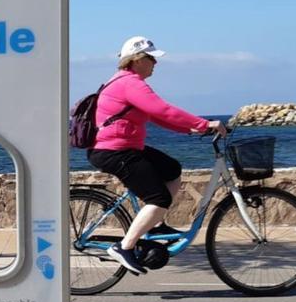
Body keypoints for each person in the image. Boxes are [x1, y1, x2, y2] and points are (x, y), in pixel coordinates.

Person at [87, 36, 226, 274]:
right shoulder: (130, 83)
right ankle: (125, 247)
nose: (155, 63)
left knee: (171, 169)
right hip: (114, 151)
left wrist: (190, 129)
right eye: (151, 58)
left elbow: (157, 117)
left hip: (123, 147)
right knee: (158, 198)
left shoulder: (125, 82)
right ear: (138, 60)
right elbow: (163, 109)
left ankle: (156, 225)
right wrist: (205, 124)